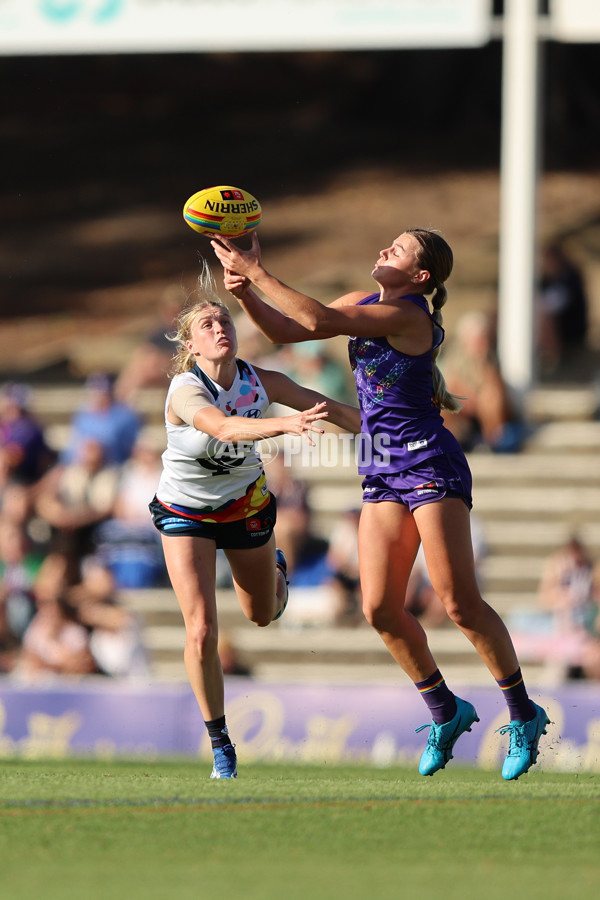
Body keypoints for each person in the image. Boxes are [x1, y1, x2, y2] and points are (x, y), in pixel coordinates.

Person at [212, 227, 551, 781]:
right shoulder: (363, 302)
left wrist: (255, 271)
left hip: (428, 463)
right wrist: (246, 293)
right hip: (381, 465)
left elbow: (319, 320)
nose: (382, 250)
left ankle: (522, 712)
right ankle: (446, 710)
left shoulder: (411, 315)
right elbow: (286, 330)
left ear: (421, 277)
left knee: (459, 603)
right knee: (379, 609)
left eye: (397, 250)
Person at [148, 263, 360, 779]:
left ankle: (277, 570)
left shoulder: (261, 380)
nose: (221, 328)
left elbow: (334, 409)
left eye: (225, 321)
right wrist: (284, 423)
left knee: (263, 615)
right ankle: (221, 744)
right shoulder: (184, 389)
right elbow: (222, 427)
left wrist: (405, 434)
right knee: (200, 630)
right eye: (207, 325)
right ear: (191, 346)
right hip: (185, 511)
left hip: (244, 507)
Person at [439, 311, 525, 453]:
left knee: (490, 395)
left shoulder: (492, 359)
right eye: (478, 339)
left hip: (494, 417)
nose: (482, 344)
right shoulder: (454, 359)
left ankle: (493, 439)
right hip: (465, 414)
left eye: (484, 339)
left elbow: (496, 392)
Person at [537, 243, 589, 375]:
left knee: (544, 318)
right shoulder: (546, 280)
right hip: (561, 326)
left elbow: (552, 305)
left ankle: (551, 359)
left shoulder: (570, 277)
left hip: (571, 329)